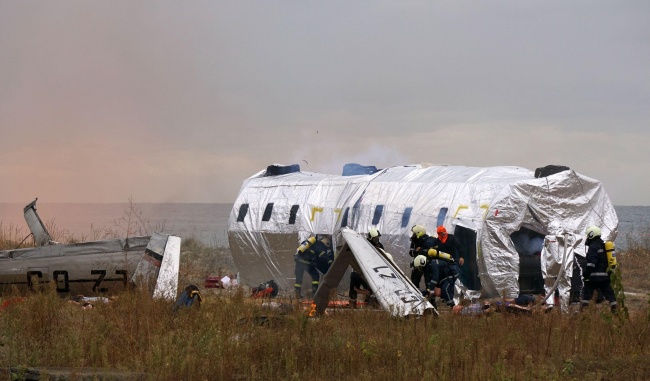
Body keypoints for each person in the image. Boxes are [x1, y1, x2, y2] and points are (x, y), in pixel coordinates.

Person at [580, 226, 617, 312]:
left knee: (587, 293)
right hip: (605, 276)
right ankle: (616, 311)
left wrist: (586, 274)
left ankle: (583, 312)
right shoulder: (604, 246)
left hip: (594, 276)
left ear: (591, 234)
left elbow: (591, 263)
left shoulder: (593, 246)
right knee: (610, 294)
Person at [349, 228, 384, 308]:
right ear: (370, 238)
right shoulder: (364, 245)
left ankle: (372, 304)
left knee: (372, 290)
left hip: (371, 272)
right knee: (353, 289)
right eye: (375, 238)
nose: (377, 240)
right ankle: (352, 304)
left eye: (377, 238)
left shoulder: (380, 246)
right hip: (358, 271)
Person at [431, 225, 463, 307]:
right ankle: (446, 298)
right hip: (442, 265)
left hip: (452, 262)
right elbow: (434, 252)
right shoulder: (437, 241)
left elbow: (459, 247)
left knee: (453, 279)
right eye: (441, 233)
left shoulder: (451, 238)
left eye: (444, 232)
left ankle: (455, 299)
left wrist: (461, 257)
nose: (444, 234)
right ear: (439, 234)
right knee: (444, 280)